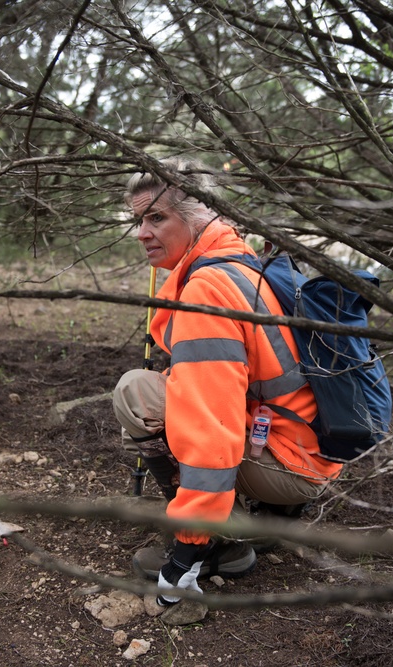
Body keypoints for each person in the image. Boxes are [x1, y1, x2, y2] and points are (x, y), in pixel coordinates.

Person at [113, 157, 342, 607]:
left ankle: (224, 544)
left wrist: (187, 551)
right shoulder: (239, 259)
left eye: (157, 217)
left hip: (288, 463)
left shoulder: (207, 288)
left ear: (197, 217)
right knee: (168, 390)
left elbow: (210, 429)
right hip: (306, 447)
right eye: (139, 219)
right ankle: (273, 517)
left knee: (136, 392)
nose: (142, 232)